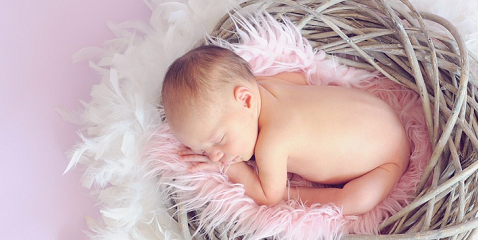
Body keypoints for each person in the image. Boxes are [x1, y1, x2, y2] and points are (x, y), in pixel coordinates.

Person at [162, 45, 410, 215]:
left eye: (219, 140)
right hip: (380, 111)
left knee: (355, 201)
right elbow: (300, 80)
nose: (215, 156)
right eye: (203, 151)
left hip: (387, 161)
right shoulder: (265, 85)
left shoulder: (272, 143)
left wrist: (233, 168)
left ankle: (298, 194)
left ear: (246, 100)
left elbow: (268, 196)